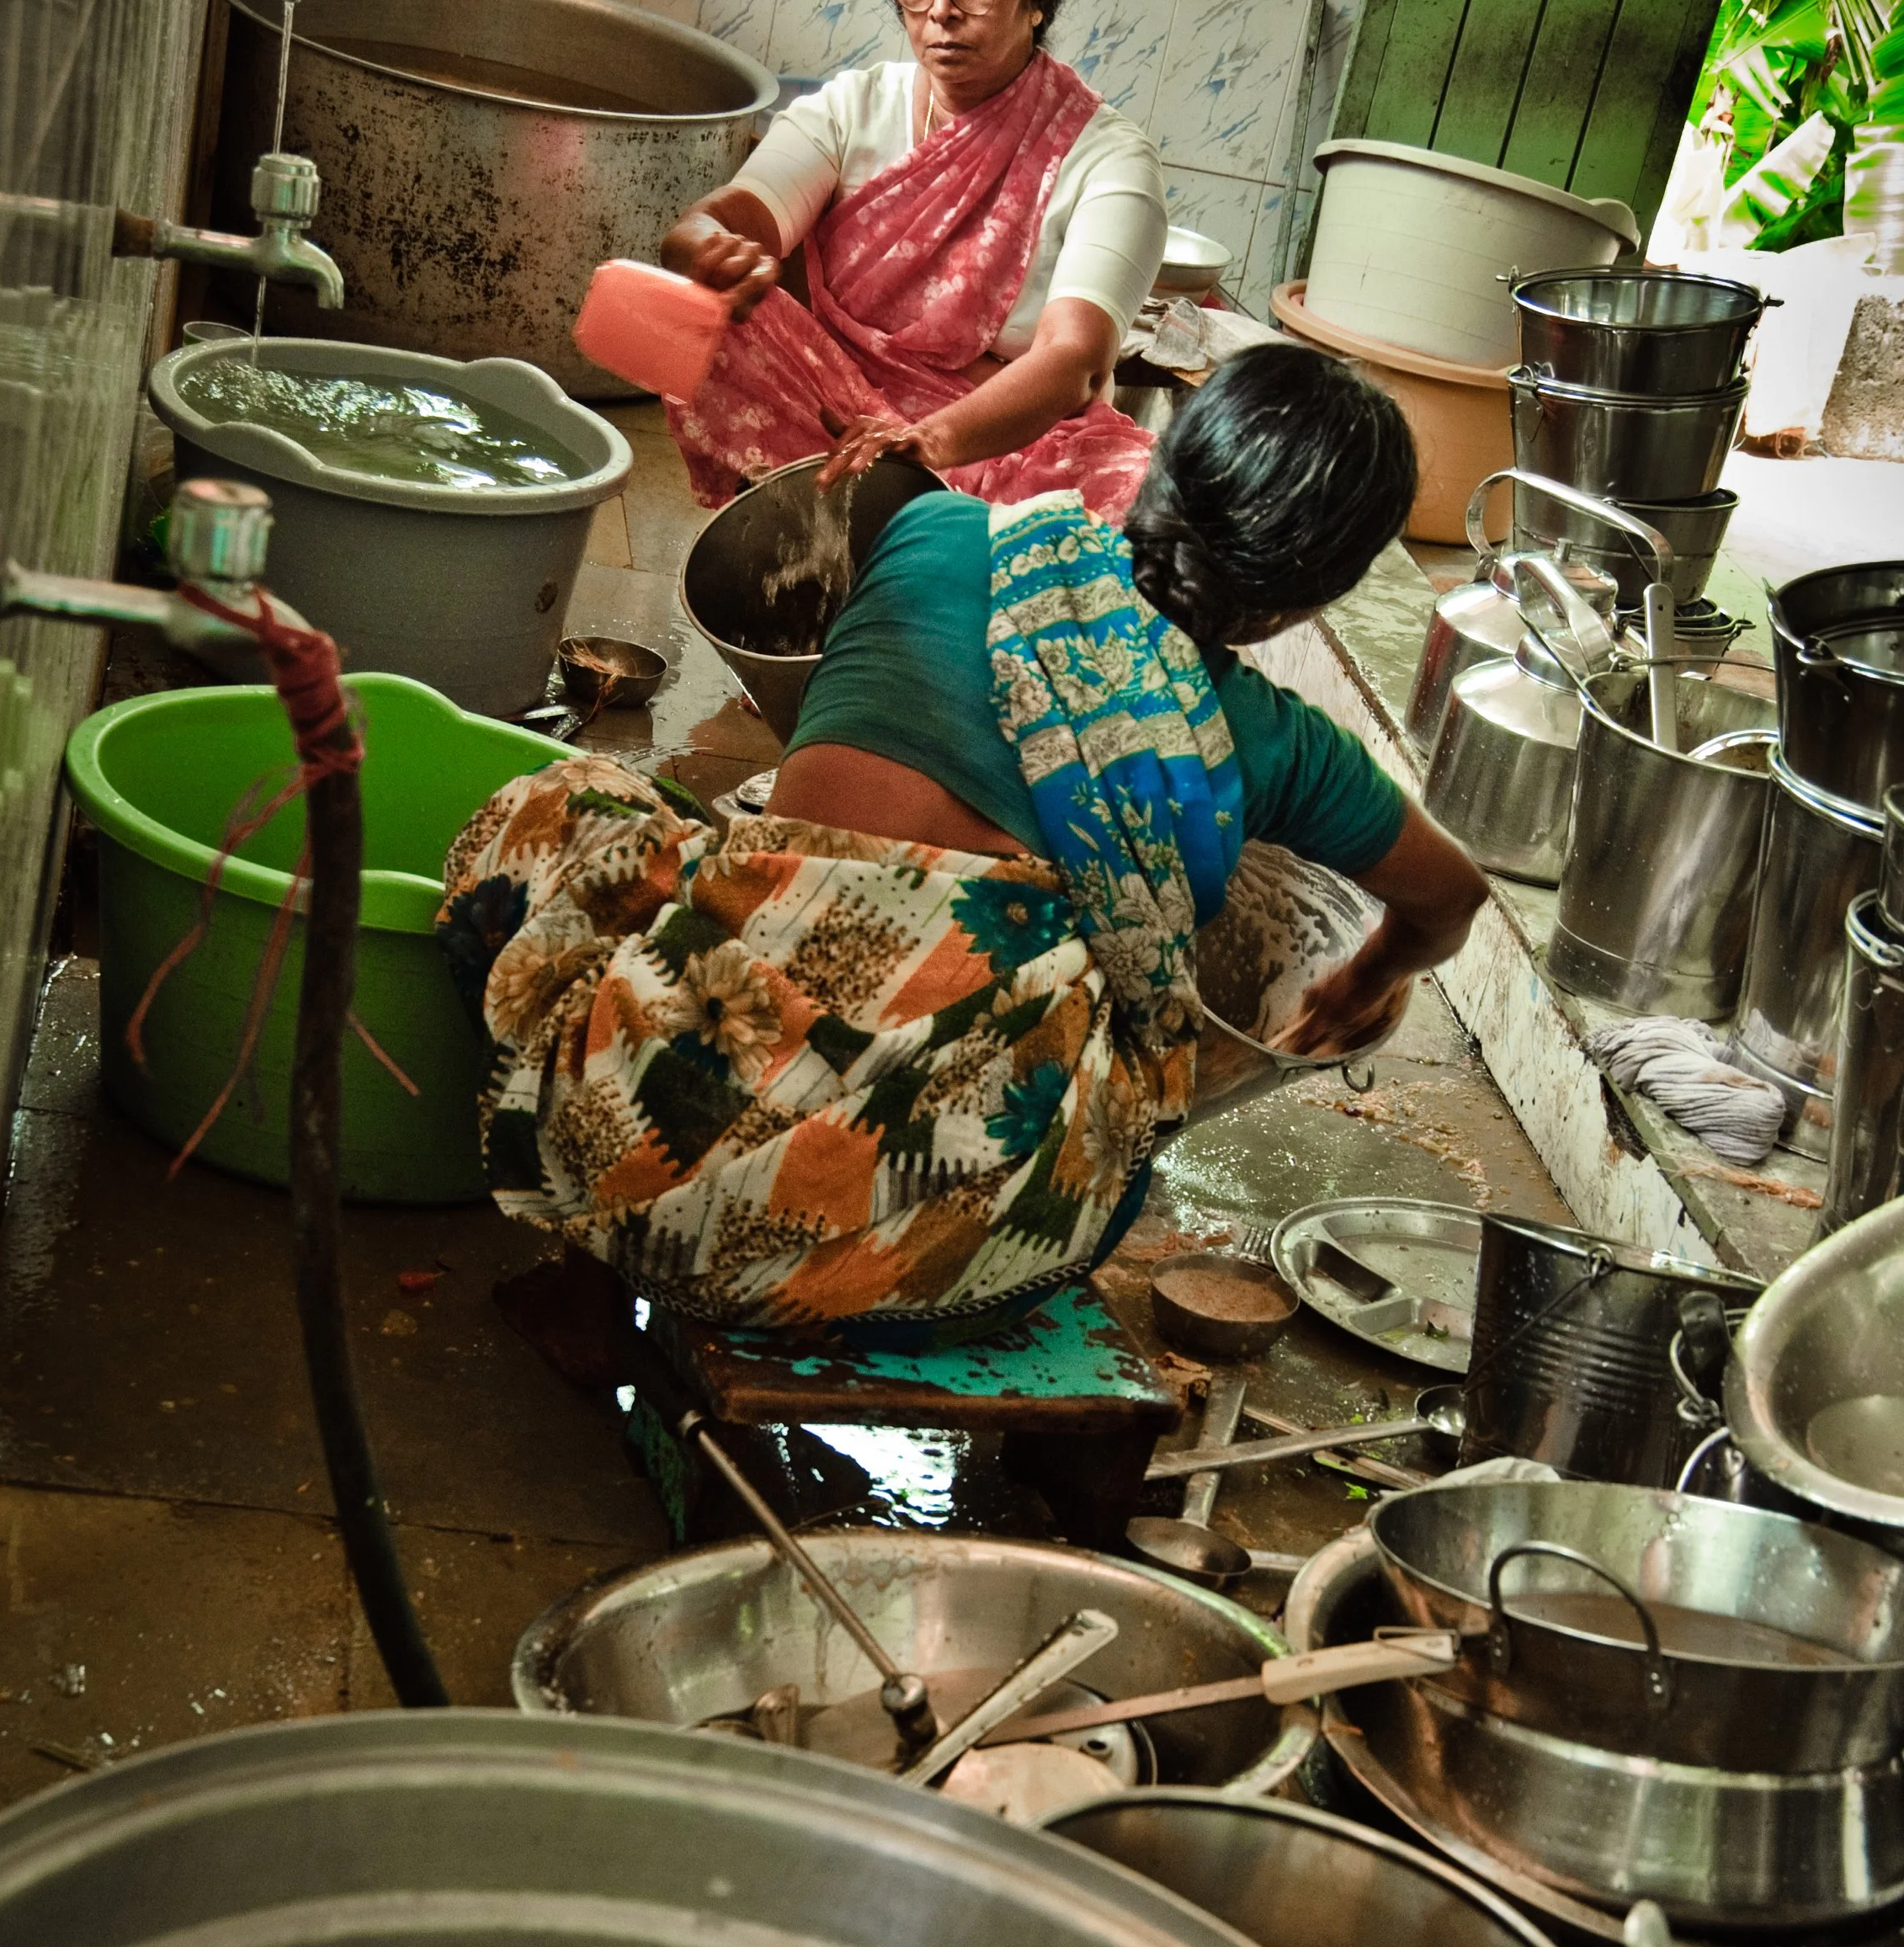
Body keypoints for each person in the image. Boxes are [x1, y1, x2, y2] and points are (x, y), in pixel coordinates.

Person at [439, 345, 1487, 1343]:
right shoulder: (1276, 746)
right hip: (938, 1249)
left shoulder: (930, 537)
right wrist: (1374, 972)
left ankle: (584, 1285)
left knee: (569, 802)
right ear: (1309, 600)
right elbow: (1451, 896)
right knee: (1116, 1106)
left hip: (623, 1139)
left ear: (1155, 472)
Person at [659, 0, 1167, 523]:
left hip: (1012, 453)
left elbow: (1073, 359)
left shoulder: (1109, 159)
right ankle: (822, 524)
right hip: (840, 428)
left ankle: (885, 524)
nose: (940, 10)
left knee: (1145, 497)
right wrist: (700, 247)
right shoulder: (854, 108)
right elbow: (723, 220)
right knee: (714, 321)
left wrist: (929, 440)